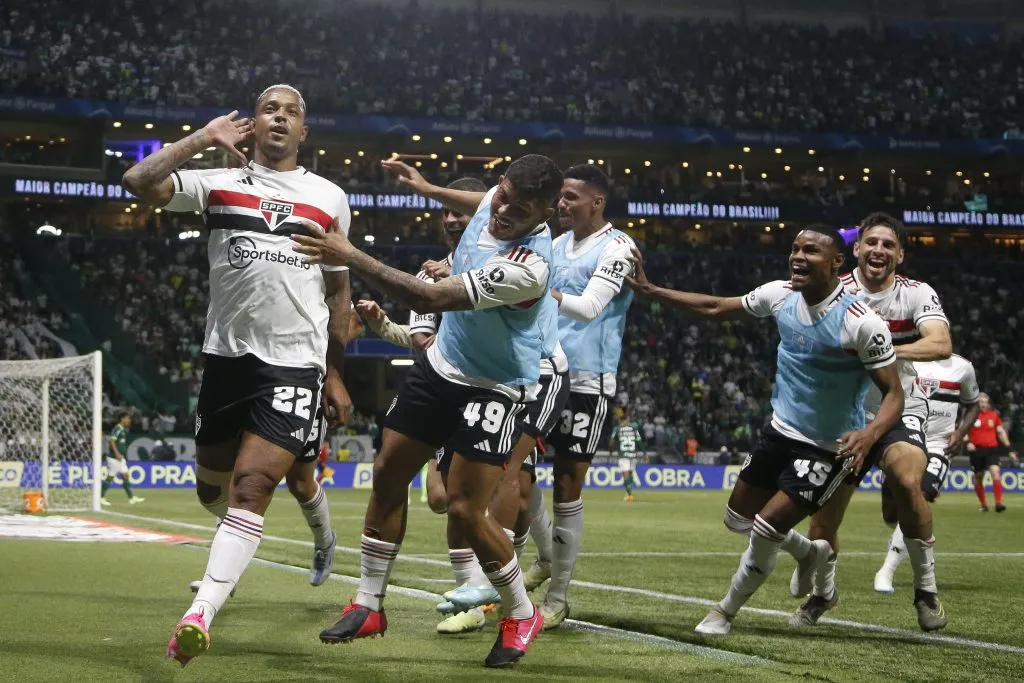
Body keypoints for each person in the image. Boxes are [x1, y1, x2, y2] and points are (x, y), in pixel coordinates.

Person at [292, 154, 563, 668]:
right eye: (501, 194)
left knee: (463, 508)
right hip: (441, 367)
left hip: (494, 385)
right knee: (388, 473)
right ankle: (369, 604)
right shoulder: (496, 200)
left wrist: (347, 253)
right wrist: (429, 187)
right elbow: (477, 200)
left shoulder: (528, 268)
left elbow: (431, 295)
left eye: (519, 209)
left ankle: (521, 611)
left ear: (543, 215)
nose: (501, 210)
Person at [122, 84, 353, 666]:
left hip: (295, 362)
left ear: (305, 131)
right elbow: (138, 182)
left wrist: (334, 371)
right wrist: (202, 139)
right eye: (269, 108)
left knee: (255, 486)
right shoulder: (219, 183)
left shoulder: (329, 197)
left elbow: (339, 287)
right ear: (251, 123)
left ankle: (202, 611)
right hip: (226, 362)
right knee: (213, 490)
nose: (280, 117)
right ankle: (314, 533)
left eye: (292, 111)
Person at [626, 226, 903, 635]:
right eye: (794, 248)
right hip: (779, 432)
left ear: (836, 263)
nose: (798, 256)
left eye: (810, 250)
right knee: (737, 520)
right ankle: (811, 553)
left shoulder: (862, 323)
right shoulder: (780, 294)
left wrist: (870, 434)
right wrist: (652, 292)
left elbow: (894, 393)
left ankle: (723, 612)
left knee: (767, 529)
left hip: (828, 447)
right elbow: (716, 307)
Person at [784, 213, 952, 632]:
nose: (879, 250)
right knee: (823, 522)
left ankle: (926, 590)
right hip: (842, 417)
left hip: (897, 410)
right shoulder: (831, 288)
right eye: (870, 243)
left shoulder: (916, 293)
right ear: (855, 250)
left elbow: (941, 341)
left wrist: (881, 349)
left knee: (907, 478)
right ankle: (823, 593)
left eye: (888, 245)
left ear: (900, 255)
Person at [522, 164, 636, 631]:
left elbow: (589, 308)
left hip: (588, 380)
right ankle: (547, 555)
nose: (562, 204)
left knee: (567, 485)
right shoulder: (552, 243)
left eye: (570, 197)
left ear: (596, 202)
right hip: (541, 370)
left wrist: (533, 287)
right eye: (560, 197)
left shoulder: (618, 248)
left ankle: (558, 596)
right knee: (517, 469)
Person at [874, 354, 980, 592]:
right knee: (891, 513)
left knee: (920, 494)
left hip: (938, 444)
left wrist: (961, 432)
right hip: (905, 440)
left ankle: (886, 570)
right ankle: (904, 535)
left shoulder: (962, 367)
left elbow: (973, 403)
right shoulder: (904, 360)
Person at [968, 393, 1019, 512]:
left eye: (985, 401)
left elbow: (1001, 432)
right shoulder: (971, 416)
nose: (983, 404)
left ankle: (998, 504)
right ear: (977, 403)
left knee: (995, 472)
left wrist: (1010, 449)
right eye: (981, 401)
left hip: (991, 450)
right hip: (976, 450)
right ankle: (984, 505)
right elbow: (964, 431)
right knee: (978, 478)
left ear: (988, 403)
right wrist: (968, 442)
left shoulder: (993, 416)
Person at [101, 412, 144, 506]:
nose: (129, 421)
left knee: (125, 475)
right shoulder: (118, 428)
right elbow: (112, 441)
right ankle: (100, 497)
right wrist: (116, 453)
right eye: (127, 418)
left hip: (120, 458)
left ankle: (131, 498)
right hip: (114, 457)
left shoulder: (123, 429)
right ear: (122, 419)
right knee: (111, 477)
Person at [610, 412, 643, 502]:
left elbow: (612, 441)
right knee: (629, 475)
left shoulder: (617, 429)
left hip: (623, 455)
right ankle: (629, 493)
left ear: (621, 420)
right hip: (633, 455)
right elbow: (639, 441)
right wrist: (644, 453)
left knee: (626, 475)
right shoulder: (634, 428)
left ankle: (629, 494)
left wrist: (611, 451)